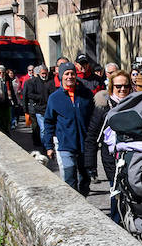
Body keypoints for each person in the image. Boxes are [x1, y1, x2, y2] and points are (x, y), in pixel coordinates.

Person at [86, 69, 132, 223]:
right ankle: (117, 223)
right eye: (118, 86)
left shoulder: (136, 104)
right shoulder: (103, 107)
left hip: (133, 158)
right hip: (111, 159)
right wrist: (90, 165)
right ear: (112, 87)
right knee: (116, 191)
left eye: (126, 86)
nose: (122, 89)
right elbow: (92, 136)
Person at [42, 62, 94, 194]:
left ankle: (83, 199)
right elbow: (48, 122)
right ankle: (76, 206)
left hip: (84, 144)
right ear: (61, 76)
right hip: (65, 144)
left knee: (85, 178)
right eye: (66, 74)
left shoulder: (86, 95)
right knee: (70, 177)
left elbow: (93, 117)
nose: (70, 76)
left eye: (72, 73)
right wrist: (49, 146)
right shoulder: (55, 98)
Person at [24, 64, 55, 150]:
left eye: (45, 73)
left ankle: (48, 144)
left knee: (49, 129)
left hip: (49, 109)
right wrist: (40, 97)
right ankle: (45, 146)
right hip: (39, 109)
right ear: (39, 73)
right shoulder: (34, 82)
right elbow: (29, 94)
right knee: (43, 129)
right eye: (42, 74)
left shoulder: (51, 82)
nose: (44, 75)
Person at [0, 65, 17, 133]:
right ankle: (3, 130)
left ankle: (6, 129)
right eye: (0, 72)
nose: (1, 74)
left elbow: (11, 91)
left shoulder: (7, 80)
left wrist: (14, 100)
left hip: (7, 101)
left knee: (7, 117)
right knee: (1, 117)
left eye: (3, 72)